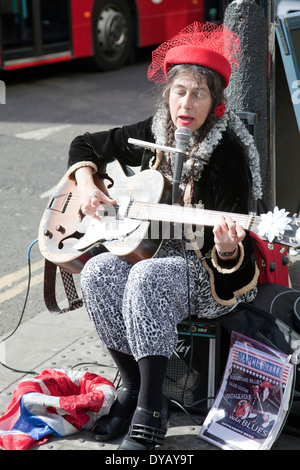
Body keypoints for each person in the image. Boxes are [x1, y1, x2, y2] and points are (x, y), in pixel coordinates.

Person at [66, 22, 262, 450]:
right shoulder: (153, 131)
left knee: (144, 278)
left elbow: (235, 265)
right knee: (98, 271)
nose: (186, 104)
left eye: (199, 94)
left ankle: (151, 408)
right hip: (153, 255)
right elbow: (85, 143)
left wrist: (228, 247)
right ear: (167, 93)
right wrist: (85, 183)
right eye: (179, 92)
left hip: (207, 272)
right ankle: (133, 386)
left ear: (216, 103)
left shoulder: (228, 155)